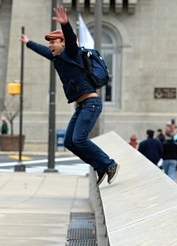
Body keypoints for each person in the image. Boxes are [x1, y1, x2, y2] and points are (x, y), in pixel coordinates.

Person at [20, 6, 119, 186]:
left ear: (63, 43)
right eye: (50, 42)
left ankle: (109, 164)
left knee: (79, 139)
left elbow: (72, 41)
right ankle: (100, 167)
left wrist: (65, 24)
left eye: (53, 42)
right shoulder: (57, 58)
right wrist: (28, 42)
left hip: (91, 103)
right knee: (69, 142)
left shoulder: (72, 53)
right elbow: (42, 50)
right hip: (81, 106)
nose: (50, 45)